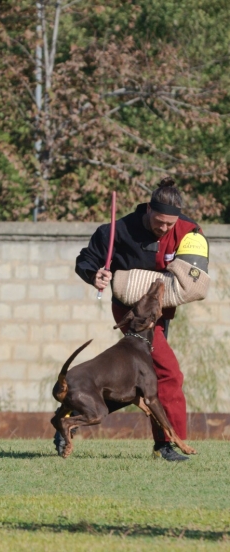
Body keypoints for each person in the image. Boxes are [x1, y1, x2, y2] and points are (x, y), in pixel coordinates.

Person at [54, 177, 209, 461]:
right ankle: (167, 445)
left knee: (138, 384)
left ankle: (77, 411)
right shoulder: (117, 230)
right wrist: (95, 275)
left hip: (162, 312)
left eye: (169, 224)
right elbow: (86, 260)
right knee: (168, 374)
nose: (163, 229)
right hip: (132, 314)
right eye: (159, 221)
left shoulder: (188, 231)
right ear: (148, 208)